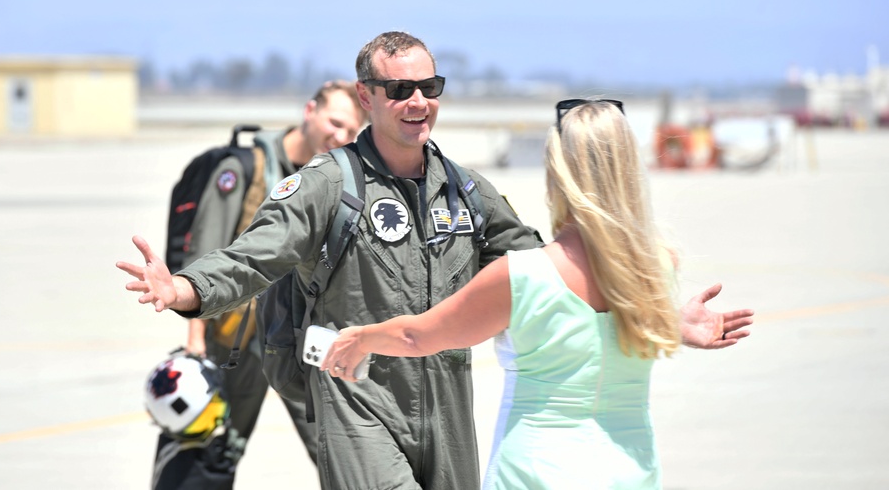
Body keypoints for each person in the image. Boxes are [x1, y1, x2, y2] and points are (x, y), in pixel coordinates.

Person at [118, 32, 752, 490]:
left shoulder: (467, 191)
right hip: (357, 393)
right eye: (400, 89)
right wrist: (182, 288)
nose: (418, 100)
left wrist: (664, 315)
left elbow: (554, 273)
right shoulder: (324, 186)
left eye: (430, 86)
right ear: (367, 97)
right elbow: (255, 257)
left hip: (447, 402)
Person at [319, 99, 754, 489]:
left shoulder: (524, 274)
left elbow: (420, 337)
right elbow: (602, 332)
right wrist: (668, 322)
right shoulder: (658, 266)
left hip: (535, 473)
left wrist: (362, 337)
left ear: (560, 172)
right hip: (631, 472)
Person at [152, 80, 368, 489]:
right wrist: (196, 342)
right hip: (230, 340)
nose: (340, 136)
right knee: (205, 451)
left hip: (301, 342)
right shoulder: (244, 171)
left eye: (351, 131)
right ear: (310, 111)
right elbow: (205, 248)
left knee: (341, 453)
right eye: (335, 122)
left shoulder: (336, 181)